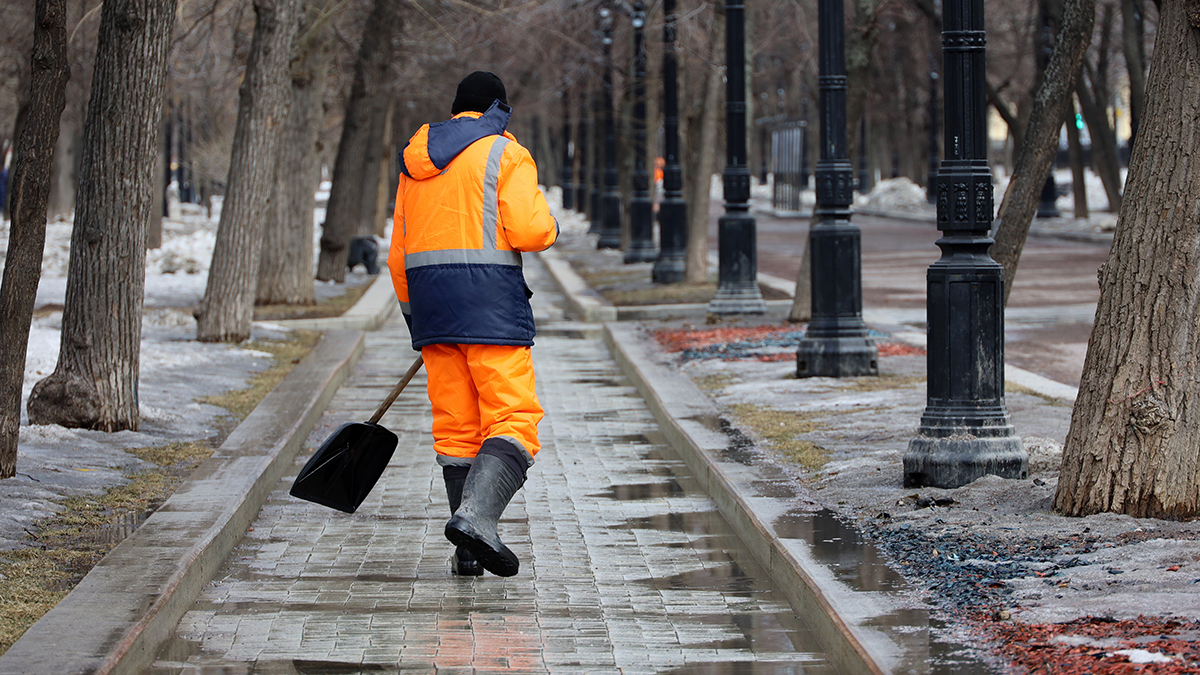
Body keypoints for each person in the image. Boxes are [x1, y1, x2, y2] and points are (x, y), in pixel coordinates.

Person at [388, 71, 558, 577]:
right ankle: (477, 521)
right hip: (491, 309)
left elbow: (399, 255)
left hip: (434, 311)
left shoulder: (414, 163)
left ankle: (467, 551)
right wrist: (551, 227)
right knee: (512, 418)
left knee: (457, 427)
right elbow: (529, 230)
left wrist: (416, 318)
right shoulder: (507, 153)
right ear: (497, 109)